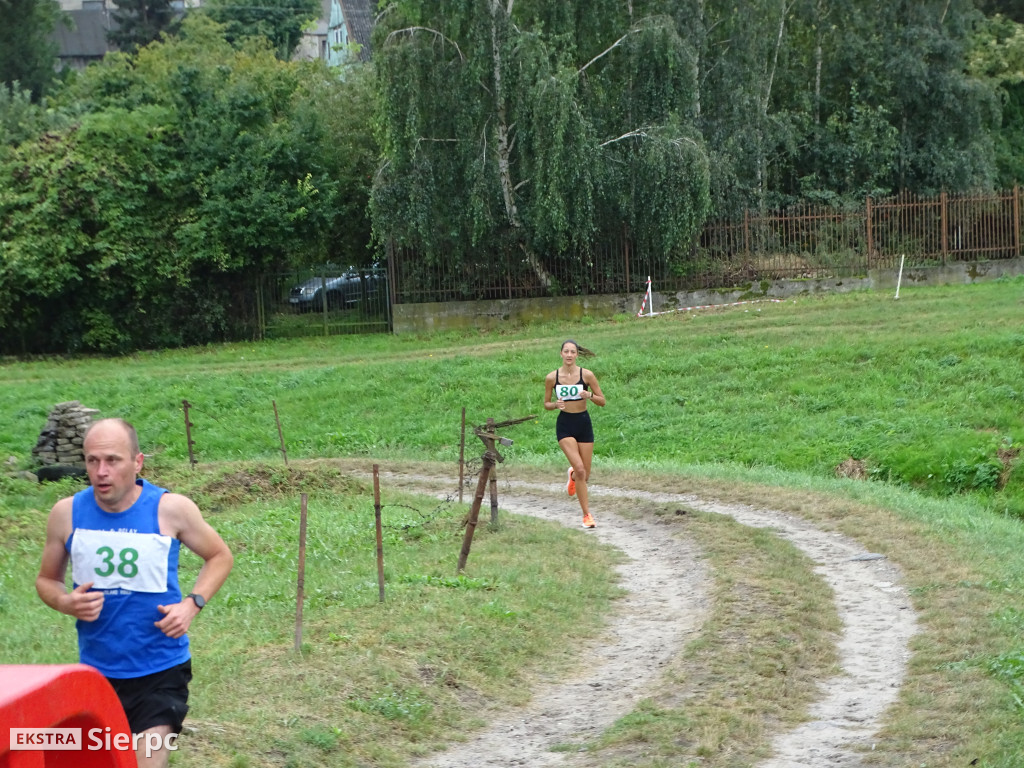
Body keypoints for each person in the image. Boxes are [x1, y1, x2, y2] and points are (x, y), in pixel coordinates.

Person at [36, 418, 234, 768]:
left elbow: (219, 556)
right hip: (95, 674)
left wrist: (192, 605)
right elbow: (47, 581)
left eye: (112, 460)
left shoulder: (171, 509)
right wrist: (66, 602)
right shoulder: (66, 514)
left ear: (137, 462)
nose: (101, 471)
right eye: (92, 460)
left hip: (161, 671)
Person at [544, 339, 606, 528]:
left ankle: (572, 477)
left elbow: (602, 401)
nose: (569, 355)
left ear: (577, 354)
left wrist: (590, 396)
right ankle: (587, 515)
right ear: (561, 354)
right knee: (580, 469)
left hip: (583, 423)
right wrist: (555, 405)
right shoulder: (551, 378)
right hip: (565, 425)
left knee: (584, 475)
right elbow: (546, 404)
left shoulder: (587, 375)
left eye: (573, 352)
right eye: (566, 352)